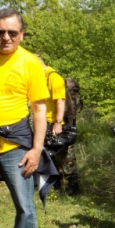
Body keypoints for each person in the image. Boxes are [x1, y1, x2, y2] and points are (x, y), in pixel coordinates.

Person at [0, 9, 49, 228]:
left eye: (12, 32)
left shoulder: (30, 63)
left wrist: (36, 150)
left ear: (21, 35)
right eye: (0, 32)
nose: (6, 37)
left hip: (15, 143)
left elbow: (40, 110)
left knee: (24, 204)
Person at [36, 56, 80, 195]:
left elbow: (60, 101)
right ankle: (56, 185)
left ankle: (73, 186)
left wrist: (58, 123)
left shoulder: (53, 77)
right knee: (50, 154)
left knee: (66, 157)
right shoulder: (40, 76)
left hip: (57, 123)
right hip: (45, 122)